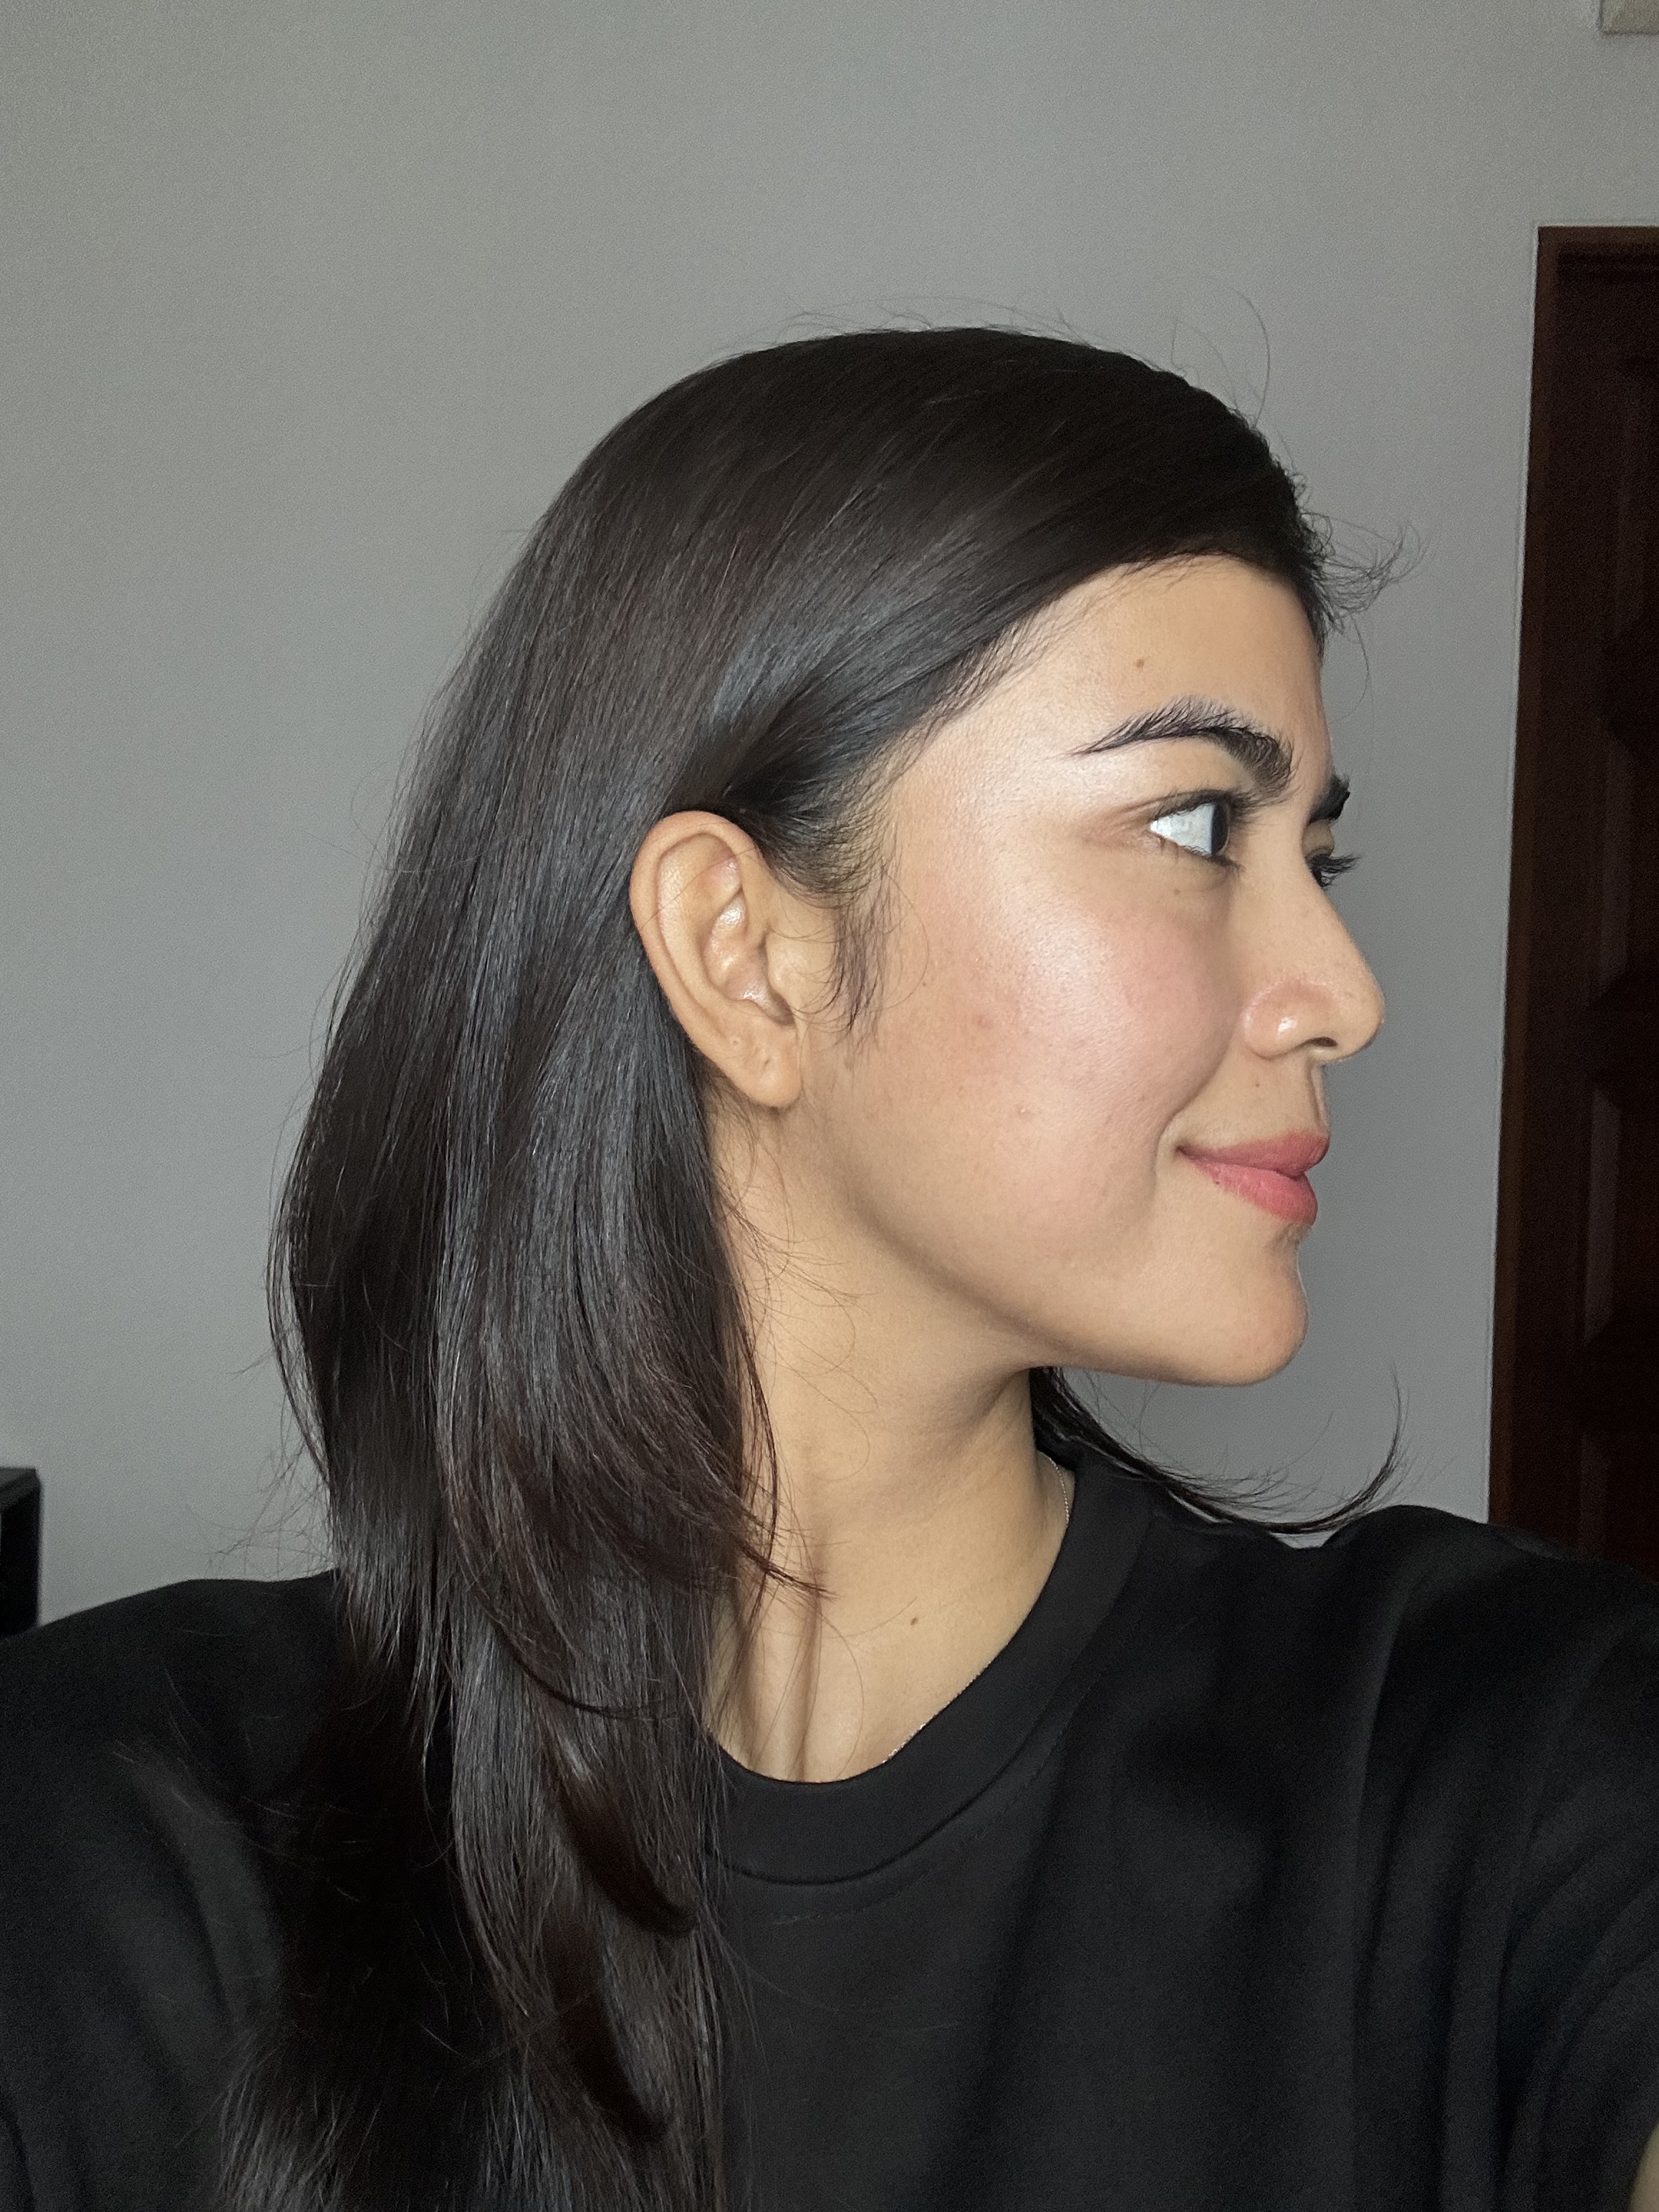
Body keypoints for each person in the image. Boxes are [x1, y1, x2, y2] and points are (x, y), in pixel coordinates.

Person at [2, 326, 1658, 2212]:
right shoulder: (104, 1838)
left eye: (1316, 858)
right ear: (743, 950)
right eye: (1197, 825)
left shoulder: (1500, 1759)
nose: (1341, 992)